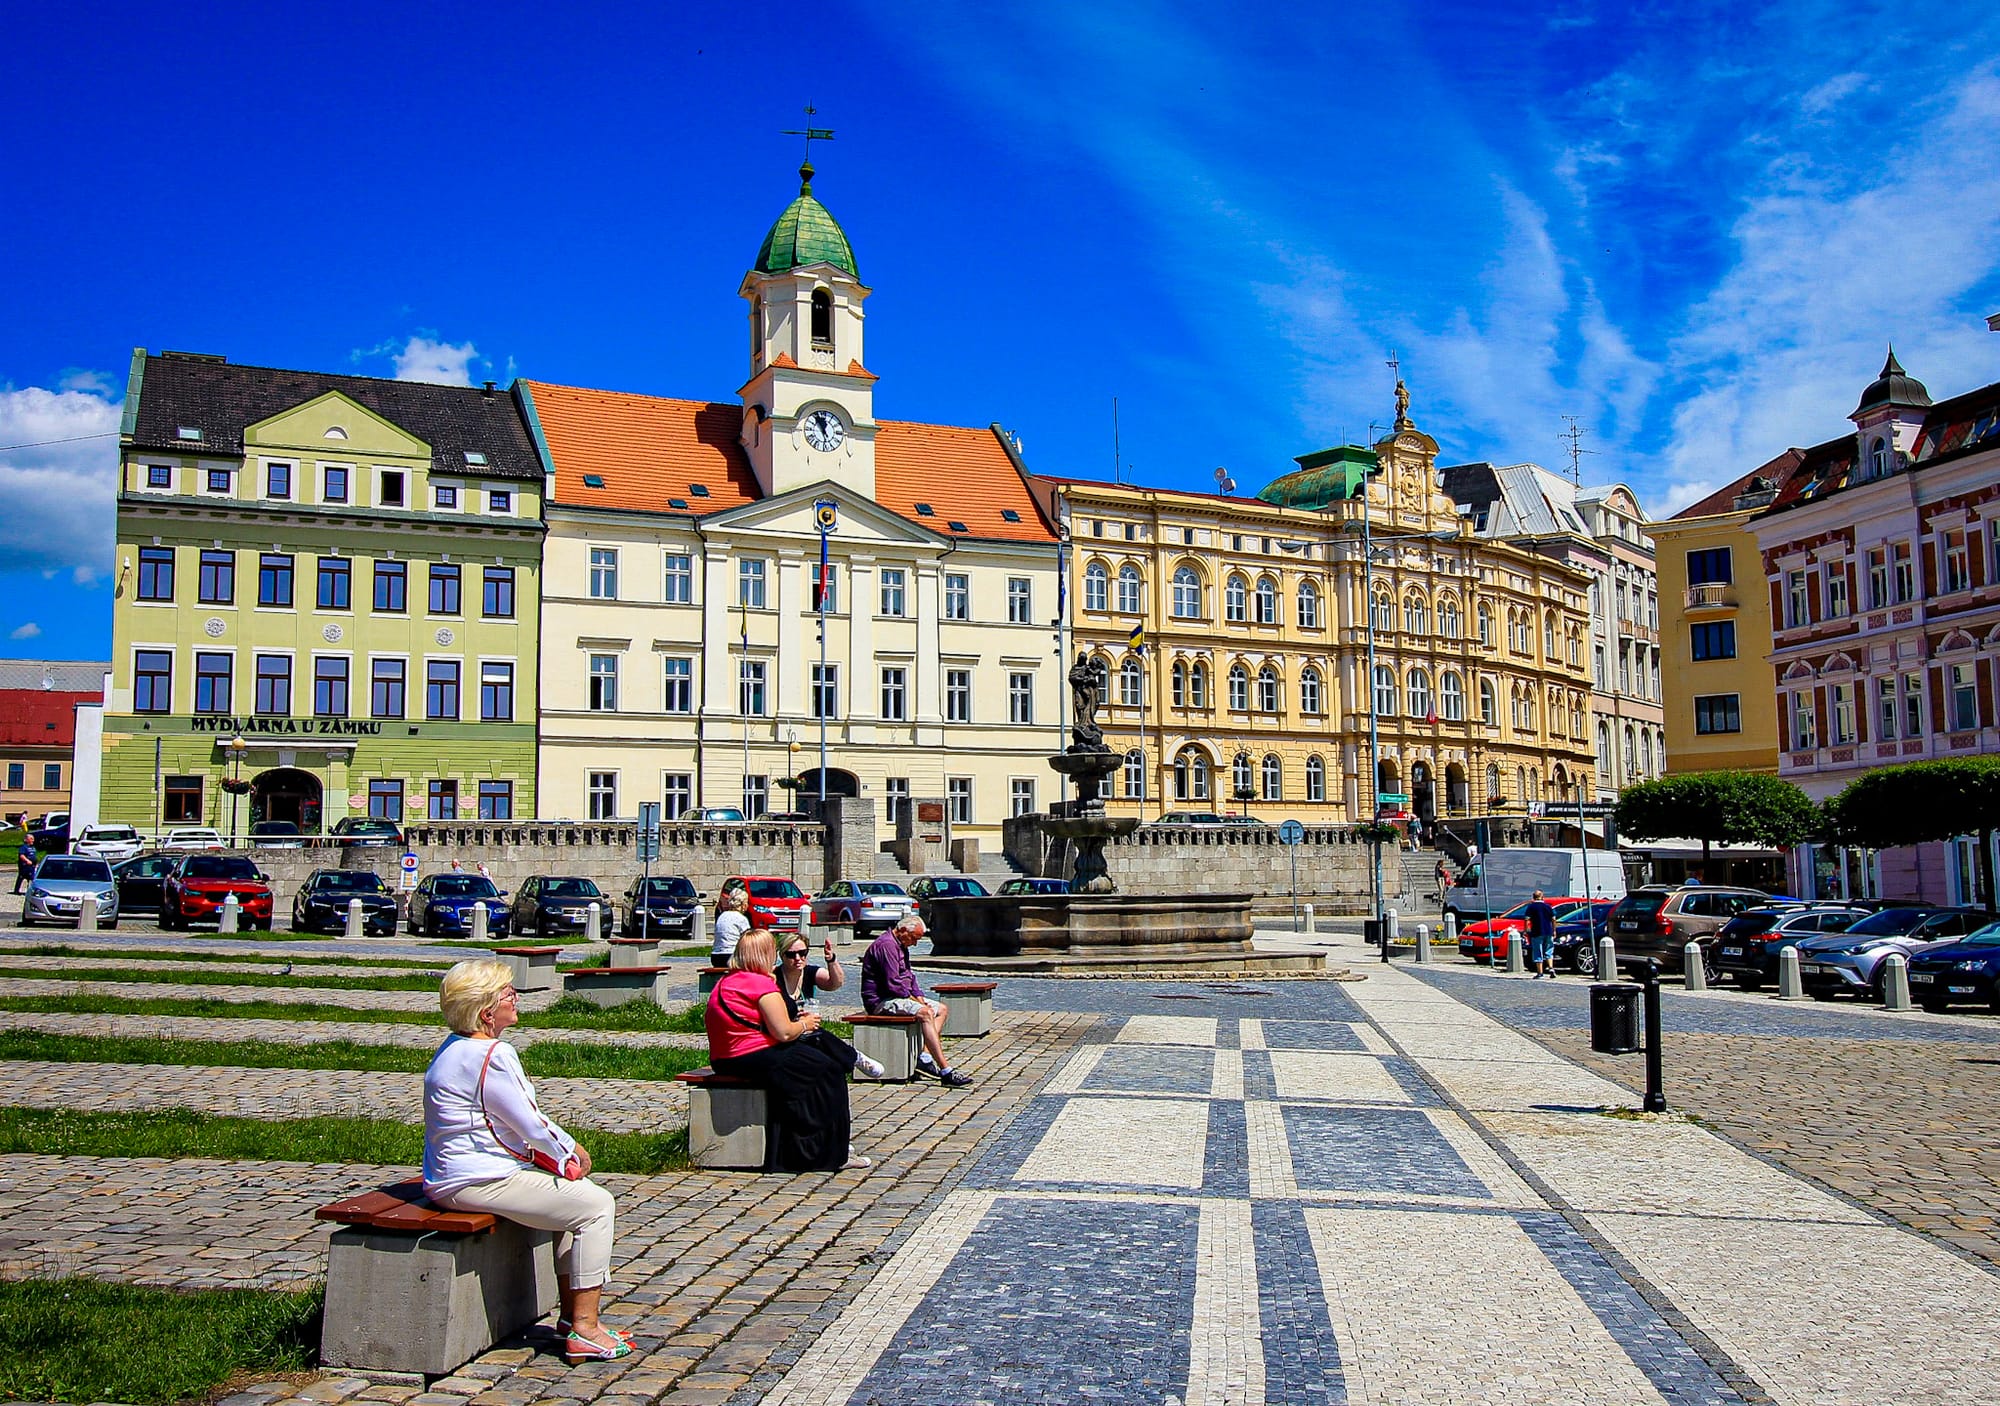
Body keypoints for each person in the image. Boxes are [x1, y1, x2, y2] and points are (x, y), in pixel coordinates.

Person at [422, 959, 629, 1364]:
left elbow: (497, 1121)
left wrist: (553, 1160)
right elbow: (530, 1124)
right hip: (478, 1179)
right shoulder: (493, 1053)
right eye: (507, 994)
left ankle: (573, 1318)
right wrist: (570, 1151)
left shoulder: (454, 1047)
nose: (515, 998)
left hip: (454, 1175)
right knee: (597, 1206)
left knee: (577, 1198)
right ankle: (585, 1328)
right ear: (486, 1011)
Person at [706, 930, 868, 1171]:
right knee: (829, 1072)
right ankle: (833, 1151)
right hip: (753, 1055)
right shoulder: (761, 984)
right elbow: (783, 1032)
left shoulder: (727, 981)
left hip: (725, 1058)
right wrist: (806, 1024)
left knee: (811, 1062)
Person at [860, 916, 971, 1087]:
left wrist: (919, 998)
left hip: (898, 996)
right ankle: (945, 1071)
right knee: (926, 1013)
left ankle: (925, 1059)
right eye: (914, 938)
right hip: (881, 1000)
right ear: (903, 930)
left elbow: (909, 977)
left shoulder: (901, 944)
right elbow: (894, 985)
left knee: (940, 1009)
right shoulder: (887, 945)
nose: (915, 943)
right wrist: (918, 1003)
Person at [774, 932, 887, 1080]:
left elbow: (835, 983)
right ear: (782, 956)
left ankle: (849, 1062)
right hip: (786, 1033)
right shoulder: (774, 977)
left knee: (830, 1061)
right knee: (822, 1043)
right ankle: (854, 1057)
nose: (797, 959)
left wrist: (831, 960)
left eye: (802, 953)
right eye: (791, 954)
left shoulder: (809, 972)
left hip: (807, 1031)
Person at [711, 885, 750, 965]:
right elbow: (747, 940)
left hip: (715, 956)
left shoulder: (722, 916)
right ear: (743, 905)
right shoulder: (741, 919)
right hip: (731, 956)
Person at [1523, 889, 1557, 979]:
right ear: (1542, 897)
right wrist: (1554, 930)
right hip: (1548, 931)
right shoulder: (1548, 906)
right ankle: (1551, 968)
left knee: (1538, 951)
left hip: (1537, 932)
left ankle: (1540, 973)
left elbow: (1527, 919)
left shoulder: (1531, 907)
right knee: (1549, 950)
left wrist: (1526, 930)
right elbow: (1553, 919)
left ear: (1533, 897)